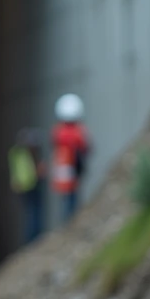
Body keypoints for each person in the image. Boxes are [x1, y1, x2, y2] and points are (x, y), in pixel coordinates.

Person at [51, 94, 90, 222]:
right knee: (72, 199)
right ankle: (72, 222)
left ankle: (68, 222)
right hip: (73, 168)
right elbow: (85, 147)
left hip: (62, 170)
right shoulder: (77, 131)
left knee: (66, 199)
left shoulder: (57, 131)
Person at [8, 128, 46, 244]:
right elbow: (32, 170)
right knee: (33, 213)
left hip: (22, 186)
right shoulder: (24, 154)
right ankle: (34, 239)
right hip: (30, 184)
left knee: (29, 213)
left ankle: (32, 239)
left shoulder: (14, 153)